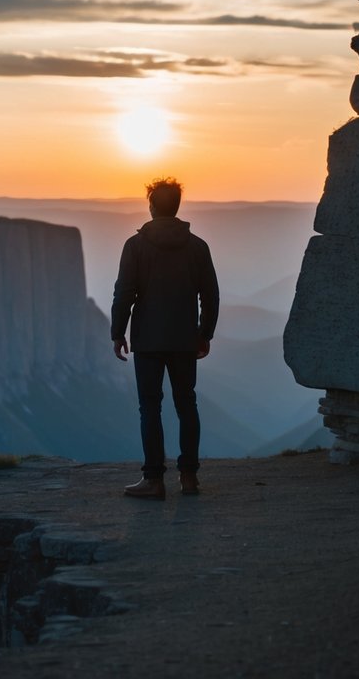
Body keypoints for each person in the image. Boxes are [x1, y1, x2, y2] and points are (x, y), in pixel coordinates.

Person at [111, 177, 219, 500]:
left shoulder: (135, 246)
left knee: (150, 408)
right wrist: (204, 334)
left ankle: (154, 480)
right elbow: (210, 296)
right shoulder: (197, 247)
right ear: (176, 207)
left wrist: (118, 333)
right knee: (187, 404)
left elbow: (124, 294)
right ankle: (189, 477)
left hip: (148, 341)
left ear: (152, 206)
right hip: (185, 339)